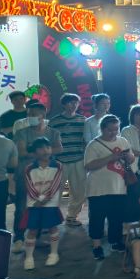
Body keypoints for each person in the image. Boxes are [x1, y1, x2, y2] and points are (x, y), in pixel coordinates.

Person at [12, 101, 63, 252]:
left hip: (46, 176)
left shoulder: (53, 132)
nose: (30, 117)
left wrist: (34, 152)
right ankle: (19, 238)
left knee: (42, 206)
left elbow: (59, 148)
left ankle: (36, 237)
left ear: (43, 115)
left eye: (33, 114)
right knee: (22, 207)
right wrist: (44, 153)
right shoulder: (22, 132)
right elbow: (21, 152)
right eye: (29, 114)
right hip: (25, 175)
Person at [85, 115, 135, 260]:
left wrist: (128, 157)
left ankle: (115, 241)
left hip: (118, 187)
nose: (113, 133)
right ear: (102, 129)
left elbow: (131, 158)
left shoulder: (122, 141)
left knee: (116, 217)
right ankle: (97, 246)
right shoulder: (93, 145)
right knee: (97, 218)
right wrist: (110, 158)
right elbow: (88, 165)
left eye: (116, 129)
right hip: (98, 189)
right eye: (110, 130)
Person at [19, 137, 64, 270]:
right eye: (41, 148)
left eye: (48, 147)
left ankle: (54, 254)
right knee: (32, 229)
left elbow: (56, 185)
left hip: (51, 203)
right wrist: (38, 200)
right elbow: (30, 187)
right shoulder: (29, 168)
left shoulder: (58, 166)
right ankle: (29, 257)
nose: (45, 150)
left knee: (52, 227)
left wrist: (44, 199)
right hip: (34, 204)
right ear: (34, 153)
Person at [49, 94, 88, 228]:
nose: (73, 105)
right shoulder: (54, 121)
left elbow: (86, 140)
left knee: (80, 191)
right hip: (60, 161)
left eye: (76, 103)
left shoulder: (83, 120)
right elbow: (50, 141)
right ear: (64, 104)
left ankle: (72, 216)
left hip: (78, 160)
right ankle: (51, 219)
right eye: (70, 103)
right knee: (56, 192)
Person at [0, 130, 17, 232]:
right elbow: (13, 164)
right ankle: (0, 240)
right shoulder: (9, 143)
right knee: (0, 215)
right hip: (1, 182)